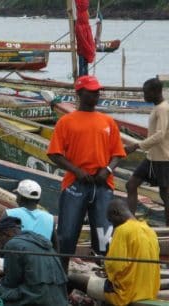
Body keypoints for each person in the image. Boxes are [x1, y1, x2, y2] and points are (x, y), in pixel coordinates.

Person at [47, 75, 126, 272]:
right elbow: (54, 154)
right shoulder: (66, 122)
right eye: (92, 91)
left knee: (104, 233)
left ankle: (105, 275)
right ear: (80, 93)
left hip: (102, 185)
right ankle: (61, 278)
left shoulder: (108, 122)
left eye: (98, 91)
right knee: (67, 234)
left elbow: (118, 154)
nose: (96, 94)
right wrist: (77, 171)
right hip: (75, 184)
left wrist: (106, 170)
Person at [69, 199, 160, 305]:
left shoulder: (122, 230)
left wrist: (104, 263)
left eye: (111, 221)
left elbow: (115, 266)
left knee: (72, 279)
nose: (112, 225)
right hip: (149, 292)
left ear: (115, 213)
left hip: (125, 294)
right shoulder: (150, 231)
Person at [0, 216, 68, 305]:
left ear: (5, 234)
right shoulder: (40, 242)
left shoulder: (13, 244)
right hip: (59, 300)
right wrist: (5, 274)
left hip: (34, 298)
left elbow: (10, 284)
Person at [125, 78, 169, 225]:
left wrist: (137, 145)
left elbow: (160, 134)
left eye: (146, 93)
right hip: (151, 157)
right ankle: (130, 222)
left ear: (155, 92)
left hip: (163, 158)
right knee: (131, 184)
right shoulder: (157, 108)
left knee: (165, 194)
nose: (144, 96)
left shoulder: (163, 108)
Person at [2, 179, 57, 248]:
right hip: (40, 258)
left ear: (19, 198)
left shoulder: (8, 214)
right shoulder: (50, 219)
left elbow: (0, 251)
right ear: (38, 200)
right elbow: (55, 250)